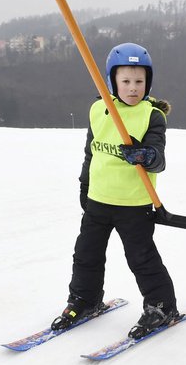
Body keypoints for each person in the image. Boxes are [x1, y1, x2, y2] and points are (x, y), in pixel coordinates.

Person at [51, 42, 179, 339]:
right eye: (126, 81)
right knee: (86, 254)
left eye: (139, 81)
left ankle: (161, 305)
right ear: (112, 81)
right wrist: (85, 185)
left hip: (134, 203)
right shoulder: (99, 110)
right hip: (98, 199)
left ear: (148, 83)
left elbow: (158, 159)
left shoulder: (152, 116)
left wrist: (146, 156)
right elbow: (91, 152)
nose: (133, 88)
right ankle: (85, 299)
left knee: (141, 257)